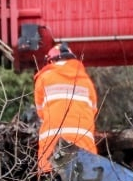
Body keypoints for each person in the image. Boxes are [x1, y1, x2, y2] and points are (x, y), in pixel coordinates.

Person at [34, 42, 98, 174]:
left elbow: (41, 113)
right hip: (84, 146)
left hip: (53, 147)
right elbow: (93, 110)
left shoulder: (44, 78)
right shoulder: (86, 81)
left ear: (51, 60)